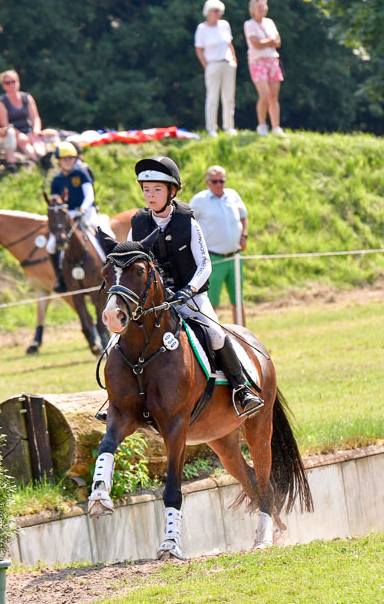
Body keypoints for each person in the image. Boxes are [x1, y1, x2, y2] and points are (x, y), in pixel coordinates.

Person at [128, 156, 263, 418]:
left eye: (157, 189)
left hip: (190, 297)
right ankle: (115, 399)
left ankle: (242, 389)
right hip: (154, 301)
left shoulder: (187, 222)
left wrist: (189, 290)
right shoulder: (138, 225)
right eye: (146, 190)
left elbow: (205, 265)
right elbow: (129, 260)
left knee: (215, 333)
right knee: (121, 337)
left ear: (172, 191)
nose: (150, 196)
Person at [189, 165, 248, 325]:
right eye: (215, 181)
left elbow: (243, 216)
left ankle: (244, 334)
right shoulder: (199, 200)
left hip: (234, 256)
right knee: (212, 301)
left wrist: (244, 235)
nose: (219, 184)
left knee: (238, 299)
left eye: (222, 181)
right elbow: (189, 223)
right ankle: (211, 335)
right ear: (208, 182)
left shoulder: (232, 195)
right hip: (213, 258)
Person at [47, 141, 108, 292]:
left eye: (70, 158)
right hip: (67, 216)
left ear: (75, 159)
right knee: (51, 245)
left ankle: (112, 269)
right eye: (64, 159)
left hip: (87, 212)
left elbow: (89, 196)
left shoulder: (81, 173)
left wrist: (82, 210)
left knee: (106, 234)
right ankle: (61, 278)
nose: (67, 162)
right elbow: (55, 201)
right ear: (59, 161)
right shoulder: (56, 180)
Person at [194, 0, 238, 137]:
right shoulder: (202, 28)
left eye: (221, 11)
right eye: (216, 10)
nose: (219, 13)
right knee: (212, 97)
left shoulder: (225, 25)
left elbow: (229, 44)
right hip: (212, 64)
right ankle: (211, 128)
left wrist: (234, 61)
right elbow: (199, 50)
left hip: (228, 63)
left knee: (229, 97)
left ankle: (229, 126)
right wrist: (207, 66)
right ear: (208, 12)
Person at [244, 0, 285, 136]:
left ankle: (276, 126)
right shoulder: (249, 24)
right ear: (252, 9)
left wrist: (268, 41)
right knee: (265, 95)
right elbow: (256, 44)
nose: (262, 9)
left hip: (272, 60)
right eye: (258, 7)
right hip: (257, 62)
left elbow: (278, 42)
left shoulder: (270, 22)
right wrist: (270, 40)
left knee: (274, 95)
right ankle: (262, 125)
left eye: (263, 6)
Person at [0, 70, 53, 166]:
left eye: (13, 81)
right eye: (8, 83)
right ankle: (37, 160)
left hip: (28, 129)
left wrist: (36, 130)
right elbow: (4, 123)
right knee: (23, 141)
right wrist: (18, 134)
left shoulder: (27, 98)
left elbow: (35, 118)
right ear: (4, 86)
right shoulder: (1, 101)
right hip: (14, 133)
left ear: (18, 82)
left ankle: (43, 157)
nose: (11, 85)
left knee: (35, 138)